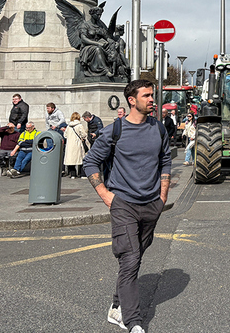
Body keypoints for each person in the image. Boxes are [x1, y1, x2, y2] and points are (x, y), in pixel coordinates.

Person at [83, 79, 171, 333]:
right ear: (132, 100)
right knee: (130, 257)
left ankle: (116, 305)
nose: (152, 100)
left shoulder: (159, 129)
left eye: (152, 95)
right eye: (147, 96)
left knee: (135, 257)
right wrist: (105, 195)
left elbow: (165, 159)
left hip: (151, 204)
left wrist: (163, 196)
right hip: (123, 204)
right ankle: (133, 321)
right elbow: (91, 162)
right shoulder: (115, 130)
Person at [63, 112, 89, 179]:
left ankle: (73, 174)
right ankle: (82, 174)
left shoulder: (68, 126)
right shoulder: (79, 125)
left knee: (71, 160)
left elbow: (65, 135)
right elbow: (83, 134)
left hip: (70, 145)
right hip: (77, 144)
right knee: (81, 159)